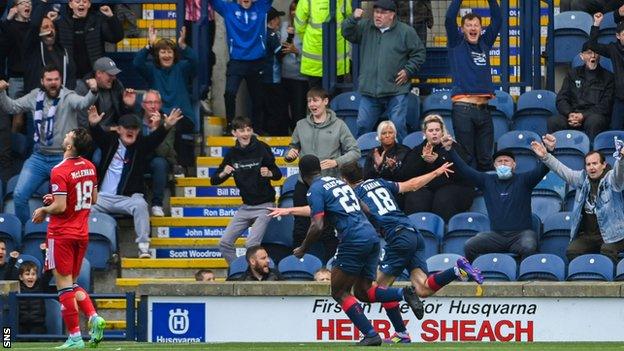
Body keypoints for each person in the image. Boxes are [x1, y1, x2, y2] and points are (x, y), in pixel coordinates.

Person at [269, 155, 423, 346]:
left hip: (352, 240)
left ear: (301, 174)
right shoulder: (337, 183)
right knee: (364, 292)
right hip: (370, 238)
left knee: (339, 292)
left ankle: (371, 334)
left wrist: (302, 248)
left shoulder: (315, 189)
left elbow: (317, 225)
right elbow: (365, 208)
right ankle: (402, 294)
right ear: (319, 168)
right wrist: (375, 229)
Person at [341, 161, 483, 343]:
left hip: (397, 238)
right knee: (422, 288)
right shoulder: (379, 182)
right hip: (413, 232)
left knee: (377, 289)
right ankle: (457, 270)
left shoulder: (353, 195)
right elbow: (413, 184)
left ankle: (401, 323)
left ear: (345, 180)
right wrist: (436, 172)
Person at [31, 127, 106, 349]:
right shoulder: (90, 166)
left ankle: (75, 337)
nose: (64, 136)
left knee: (63, 286)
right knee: (71, 283)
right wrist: (55, 199)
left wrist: (44, 210)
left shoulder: (59, 170)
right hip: (82, 232)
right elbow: (92, 199)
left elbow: (61, 206)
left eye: (68, 135)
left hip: (61, 233)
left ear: (70, 146)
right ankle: (93, 317)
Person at [0, 65, 98, 224]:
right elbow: (11, 107)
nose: (53, 83)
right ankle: (27, 231)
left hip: (63, 158)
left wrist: (93, 91)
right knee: (19, 196)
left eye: (56, 79)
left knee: (66, 202)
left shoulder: (68, 96)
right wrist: (1, 92)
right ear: (42, 81)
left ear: (61, 81)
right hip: (39, 157)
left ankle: (61, 233)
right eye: (49, 80)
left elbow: (83, 103)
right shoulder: (34, 96)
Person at [88, 108, 183, 258]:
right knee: (84, 206)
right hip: (103, 197)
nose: (131, 131)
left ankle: (144, 247)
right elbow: (97, 135)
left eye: (135, 128)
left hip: (129, 198)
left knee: (141, 205)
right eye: (127, 128)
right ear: (119, 129)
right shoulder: (110, 142)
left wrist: (166, 126)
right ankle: (90, 248)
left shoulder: (140, 146)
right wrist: (93, 125)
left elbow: (154, 140)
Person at [441, 134, 551, 262]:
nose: (503, 163)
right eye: (500, 161)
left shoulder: (524, 180)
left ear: (514, 165)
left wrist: (549, 152)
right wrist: (450, 150)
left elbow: (543, 169)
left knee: (529, 245)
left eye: (507, 161)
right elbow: (464, 169)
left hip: (520, 235)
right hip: (496, 236)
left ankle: (522, 278)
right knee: (470, 245)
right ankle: (470, 275)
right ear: (494, 165)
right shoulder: (487, 180)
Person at [285, 87, 360, 261]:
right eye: (309, 101)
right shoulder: (300, 125)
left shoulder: (339, 125)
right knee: (300, 228)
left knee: (327, 229)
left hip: (328, 184)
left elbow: (355, 151)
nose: (312, 104)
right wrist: (290, 154)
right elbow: (293, 146)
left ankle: (330, 267)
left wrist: (337, 162)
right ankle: (298, 265)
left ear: (325, 101)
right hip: (304, 183)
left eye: (316, 100)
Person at [531, 136, 624, 262]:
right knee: (573, 250)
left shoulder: (612, 179)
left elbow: (620, 174)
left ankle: (611, 280)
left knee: (607, 250)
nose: (591, 167)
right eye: (588, 164)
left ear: (604, 165)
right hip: (589, 236)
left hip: (614, 234)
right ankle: (584, 279)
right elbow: (562, 170)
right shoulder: (581, 179)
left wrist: (621, 159)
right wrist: (545, 156)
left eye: (595, 163)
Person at [343, 0, 426, 141]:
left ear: (392, 15)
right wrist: (352, 18)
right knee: (362, 125)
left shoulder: (405, 31)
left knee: (398, 126)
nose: (378, 16)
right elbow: (347, 32)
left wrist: (408, 70)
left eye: (383, 13)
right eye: (376, 12)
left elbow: (419, 53)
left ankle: (402, 158)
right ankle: (361, 158)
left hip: (396, 90)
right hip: (369, 91)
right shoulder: (365, 26)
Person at [211, 116, 281, 264]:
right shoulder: (232, 153)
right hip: (245, 207)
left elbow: (277, 174)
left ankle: (253, 274)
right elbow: (214, 180)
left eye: (248, 130)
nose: (245, 133)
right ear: (234, 133)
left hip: (265, 206)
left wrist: (269, 173)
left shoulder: (262, 147)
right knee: (224, 243)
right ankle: (239, 270)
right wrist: (225, 172)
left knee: (251, 245)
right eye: (241, 130)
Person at [445, 0, 502, 171]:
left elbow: (497, 19)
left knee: (486, 159)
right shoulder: (456, 43)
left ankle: (486, 196)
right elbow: (449, 18)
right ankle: (469, 195)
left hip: (484, 110)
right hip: (463, 110)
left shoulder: (485, 43)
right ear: (462, 29)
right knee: (467, 156)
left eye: (476, 25)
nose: (473, 28)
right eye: (469, 25)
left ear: (481, 29)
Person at [134, 26, 197, 168]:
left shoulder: (181, 68)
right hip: (160, 115)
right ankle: (170, 165)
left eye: (170, 52)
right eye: (163, 52)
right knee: (161, 128)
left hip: (183, 116)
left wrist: (183, 46)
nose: (167, 55)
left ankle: (179, 167)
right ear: (157, 54)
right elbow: (137, 63)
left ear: (175, 55)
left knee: (177, 127)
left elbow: (195, 61)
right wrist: (149, 45)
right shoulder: (152, 70)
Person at [210, 0, 271, 133]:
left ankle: (258, 129)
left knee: (258, 98)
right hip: (237, 61)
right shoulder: (228, 8)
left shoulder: (261, 7)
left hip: (257, 60)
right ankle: (231, 127)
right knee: (229, 93)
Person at [397, 115, 475, 220]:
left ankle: (445, 230)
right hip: (427, 188)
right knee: (415, 197)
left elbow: (462, 173)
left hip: (453, 185)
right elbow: (406, 174)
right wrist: (422, 160)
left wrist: (438, 160)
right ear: (425, 133)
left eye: (437, 130)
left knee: (443, 197)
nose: (434, 133)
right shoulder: (418, 150)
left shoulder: (452, 146)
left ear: (442, 132)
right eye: (431, 130)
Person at [548, 42, 613, 140]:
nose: (593, 56)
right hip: (572, 114)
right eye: (589, 53)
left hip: (593, 116)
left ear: (600, 56)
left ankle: (591, 153)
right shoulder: (572, 74)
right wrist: (570, 114)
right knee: (554, 121)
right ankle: (560, 153)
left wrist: (583, 116)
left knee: (595, 121)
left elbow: (606, 105)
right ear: (582, 56)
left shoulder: (609, 77)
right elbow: (562, 98)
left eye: (596, 53)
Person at [52, 0, 124, 78]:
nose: (81, 4)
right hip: (68, 75)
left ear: (89, 4)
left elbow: (116, 37)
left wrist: (111, 16)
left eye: (85, 1)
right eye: (77, 1)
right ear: (70, 4)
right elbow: (49, 44)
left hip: (93, 75)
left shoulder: (97, 21)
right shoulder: (61, 23)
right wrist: (50, 22)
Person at [140, 90, 182, 216]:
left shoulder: (168, 122)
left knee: (160, 163)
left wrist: (156, 129)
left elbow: (163, 152)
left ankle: (157, 204)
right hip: (139, 158)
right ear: (143, 105)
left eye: (156, 102)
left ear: (161, 105)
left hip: (158, 159)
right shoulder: (136, 120)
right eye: (149, 102)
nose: (153, 106)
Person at [295, 0, 351, 88]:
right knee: (335, 97)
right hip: (337, 62)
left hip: (313, 61)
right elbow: (349, 21)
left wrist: (310, 41)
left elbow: (299, 27)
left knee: (315, 97)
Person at [23, 6, 76, 92]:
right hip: (38, 100)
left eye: (52, 27)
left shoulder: (63, 51)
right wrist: (43, 2)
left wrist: (66, 95)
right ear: (38, 32)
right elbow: (34, 25)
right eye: (45, 27)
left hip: (61, 99)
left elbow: (71, 75)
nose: (50, 29)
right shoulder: (32, 49)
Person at [76, 56, 136, 129]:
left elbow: (126, 120)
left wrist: (128, 106)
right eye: (110, 75)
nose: (114, 78)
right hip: (93, 134)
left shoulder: (116, 85)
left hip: (114, 132)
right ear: (98, 73)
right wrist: (108, 129)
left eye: (114, 75)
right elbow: (82, 124)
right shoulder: (83, 88)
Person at [5, 247, 55, 335]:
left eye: (33, 274)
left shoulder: (40, 285)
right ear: (21, 277)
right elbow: (7, 279)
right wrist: (12, 260)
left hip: (38, 325)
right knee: (12, 339)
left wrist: (44, 252)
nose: (30, 277)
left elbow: (49, 272)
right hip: (20, 325)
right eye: (27, 274)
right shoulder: (17, 286)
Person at [0, 0, 32, 134]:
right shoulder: (10, 26)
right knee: (17, 121)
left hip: (32, 78)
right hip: (16, 79)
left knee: (33, 119)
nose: (27, 5)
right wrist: (7, 20)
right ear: (15, 8)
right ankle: (15, 152)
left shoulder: (34, 26)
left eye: (29, 3)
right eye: (23, 3)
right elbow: (2, 50)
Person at [589, 11, 624, 129]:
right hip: (620, 98)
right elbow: (592, 45)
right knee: (615, 131)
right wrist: (596, 24)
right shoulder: (613, 49)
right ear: (618, 36)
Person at [280, 0, 308, 132]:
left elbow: (312, 53)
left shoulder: (308, 28)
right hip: (284, 75)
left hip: (300, 77)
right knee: (282, 109)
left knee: (298, 110)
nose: (294, 12)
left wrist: (296, 51)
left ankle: (298, 137)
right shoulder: (284, 26)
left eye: (297, 9)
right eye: (292, 9)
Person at [262, 7, 289, 136]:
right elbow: (280, 54)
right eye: (277, 18)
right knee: (276, 108)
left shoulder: (261, 33)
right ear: (272, 20)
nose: (279, 21)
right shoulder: (271, 35)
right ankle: (275, 133)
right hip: (273, 78)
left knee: (267, 107)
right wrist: (290, 39)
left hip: (262, 77)